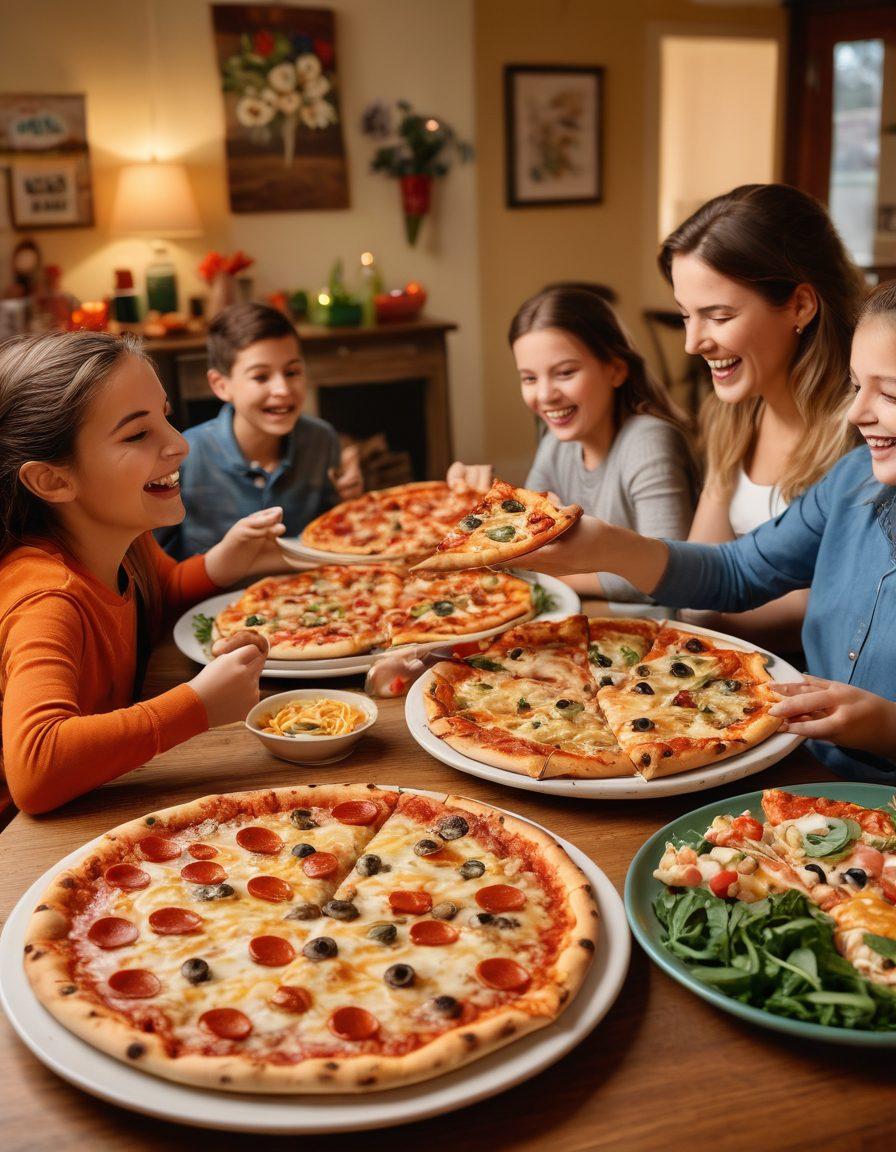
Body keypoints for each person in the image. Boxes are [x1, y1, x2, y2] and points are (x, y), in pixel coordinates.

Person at [512, 280, 896, 784]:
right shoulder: (850, 479)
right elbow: (736, 571)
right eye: (854, 385)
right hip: (788, 762)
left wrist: (887, 727)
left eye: (888, 392)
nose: (855, 413)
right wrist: (609, 546)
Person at [0, 331, 285, 814]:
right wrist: (196, 705)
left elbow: (160, 594)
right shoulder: (47, 598)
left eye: (166, 418)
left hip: (103, 798)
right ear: (52, 479)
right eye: (137, 434)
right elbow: (36, 769)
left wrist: (224, 562)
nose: (179, 445)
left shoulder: (125, 540)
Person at [660, 183, 864, 646]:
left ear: (800, 305)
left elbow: (833, 602)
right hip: (724, 667)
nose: (693, 343)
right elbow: (702, 579)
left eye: (718, 316)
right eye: (685, 316)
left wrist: (711, 616)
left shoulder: (864, 431)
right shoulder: (731, 416)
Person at [448, 282, 698, 603]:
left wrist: (544, 572)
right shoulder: (556, 442)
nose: (545, 395)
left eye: (565, 373)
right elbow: (526, 540)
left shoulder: (649, 442)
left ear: (616, 370)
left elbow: (667, 575)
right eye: (529, 378)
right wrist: (470, 502)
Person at [157, 302, 362, 561]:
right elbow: (158, 565)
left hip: (308, 593)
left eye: (292, 372)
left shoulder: (322, 441)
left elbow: (338, 540)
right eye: (261, 377)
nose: (283, 389)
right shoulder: (184, 456)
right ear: (221, 385)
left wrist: (351, 501)